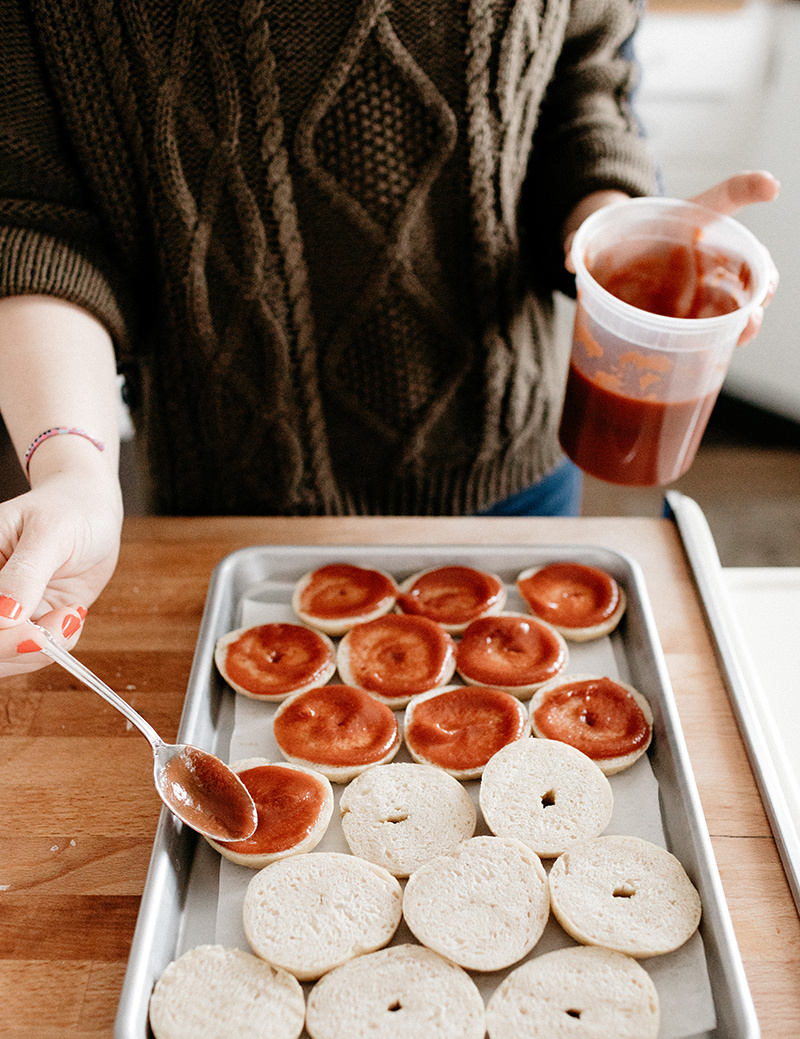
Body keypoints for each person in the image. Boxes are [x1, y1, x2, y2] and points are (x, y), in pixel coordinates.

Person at [0, 0, 779, 677]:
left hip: (508, 464)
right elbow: (33, 218)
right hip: (230, 505)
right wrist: (72, 470)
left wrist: (622, 234)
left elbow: (581, 87)